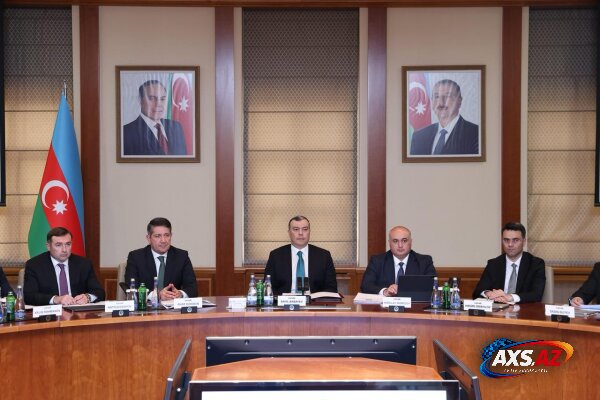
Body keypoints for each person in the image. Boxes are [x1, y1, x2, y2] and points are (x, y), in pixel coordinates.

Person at [23, 227, 105, 306]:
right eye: (58, 245)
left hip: (78, 312)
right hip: (50, 313)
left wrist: (87, 298)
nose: (64, 250)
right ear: (48, 246)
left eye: (68, 244)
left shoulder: (83, 264)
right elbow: (29, 296)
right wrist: (56, 299)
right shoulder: (34, 265)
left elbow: (99, 292)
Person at [125, 217, 197, 301]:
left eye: (167, 235)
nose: (163, 240)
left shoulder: (181, 256)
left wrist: (180, 294)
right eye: (157, 236)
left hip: (173, 307)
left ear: (171, 236)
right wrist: (157, 295)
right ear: (148, 238)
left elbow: (192, 288)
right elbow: (131, 288)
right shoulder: (136, 257)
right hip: (146, 307)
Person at [472, 222, 545, 304]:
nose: (510, 244)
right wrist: (489, 294)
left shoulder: (536, 264)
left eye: (515, 240)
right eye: (506, 240)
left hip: (524, 309)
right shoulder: (494, 264)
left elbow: (536, 295)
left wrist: (510, 297)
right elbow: (477, 292)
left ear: (524, 241)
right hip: (498, 310)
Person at [264, 216, 338, 295]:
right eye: (296, 229)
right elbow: (268, 287)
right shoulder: (276, 256)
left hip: (314, 301)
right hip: (285, 301)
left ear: (309, 232)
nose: (300, 233)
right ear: (289, 232)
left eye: (305, 229)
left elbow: (332, 288)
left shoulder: (324, 256)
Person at [360, 226, 436, 296]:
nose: (400, 245)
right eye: (395, 241)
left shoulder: (424, 261)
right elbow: (365, 285)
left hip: (414, 304)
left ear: (411, 242)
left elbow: (432, 285)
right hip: (385, 305)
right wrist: (385, 291)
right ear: (389, 243)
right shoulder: (377, 261)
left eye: (404, 241)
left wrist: (405, 290)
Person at [410, 79, 479, 155]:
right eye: (437, 96)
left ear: (459, 101)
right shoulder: (419, 137)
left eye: (447, 96)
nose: (441, 102)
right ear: (432, 101)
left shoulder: (476, 134)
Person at [122, 80, 188, 156]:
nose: (158, 104)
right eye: (152, 98)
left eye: (162, 99)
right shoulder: (126, 133)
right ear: (140, 100)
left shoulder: (176, 126)